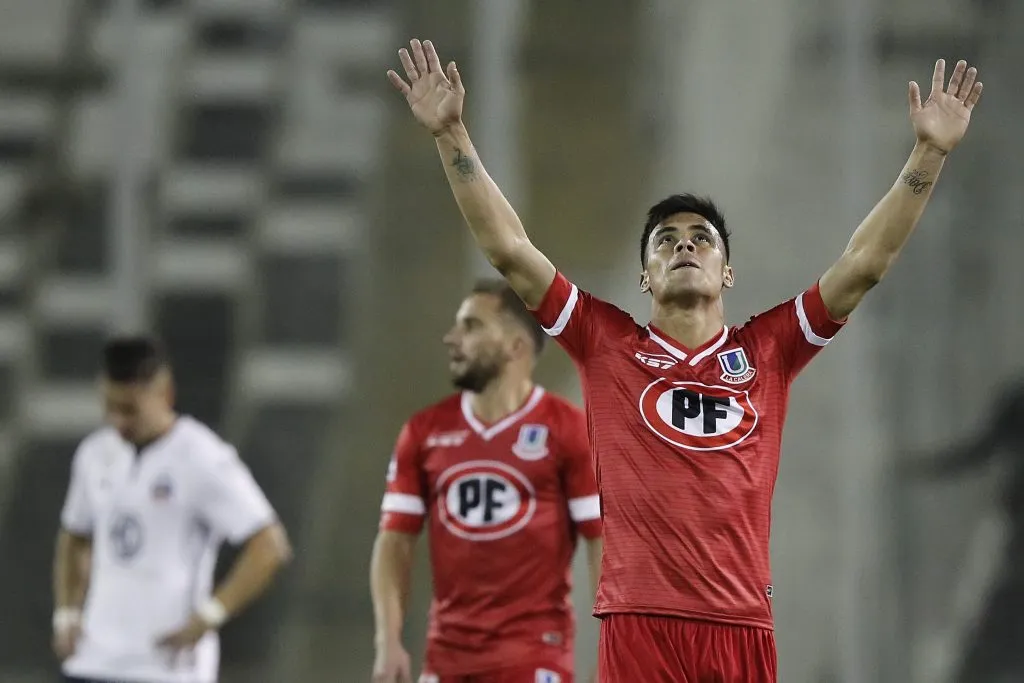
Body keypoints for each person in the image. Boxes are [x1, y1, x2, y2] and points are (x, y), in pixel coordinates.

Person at [385, 37, 984, 682]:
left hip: (741, 628)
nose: (684, 247)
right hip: (640, 624)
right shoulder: (606, 343)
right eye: (665, 240)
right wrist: (450, 135)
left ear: (728, 272)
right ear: (645, 276)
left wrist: (928, 154)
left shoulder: (770, 349)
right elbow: (510, 250)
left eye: (702, 238)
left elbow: (864, 264)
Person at [370, 280, 603, 683]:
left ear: (516, 346)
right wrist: (387, 640)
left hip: (534, 655)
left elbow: (604, 543)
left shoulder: (569, 430)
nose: (451, 338)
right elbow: (394, 541)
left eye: (471, 326)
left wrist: (608, 653)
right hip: (445, 659)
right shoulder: (424, 432)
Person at [52, 335, 293, 683]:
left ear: (165, 394)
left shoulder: (202, 457)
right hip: (93, 661)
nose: (118, 421)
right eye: (109, 407)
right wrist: (66, 613)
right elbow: (74, 535)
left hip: (167, 667)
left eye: (129, 409)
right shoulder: (94, 454)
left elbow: (270, 546)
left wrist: (210, 615)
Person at [905, 381, 1024, 682]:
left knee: (989, 609)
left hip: (1012, 529)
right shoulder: (1019, 401)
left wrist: (927, 469)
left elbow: (980, 451)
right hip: (1012, 527)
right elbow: (981, 450)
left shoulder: (1019, 400)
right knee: (988, 609)